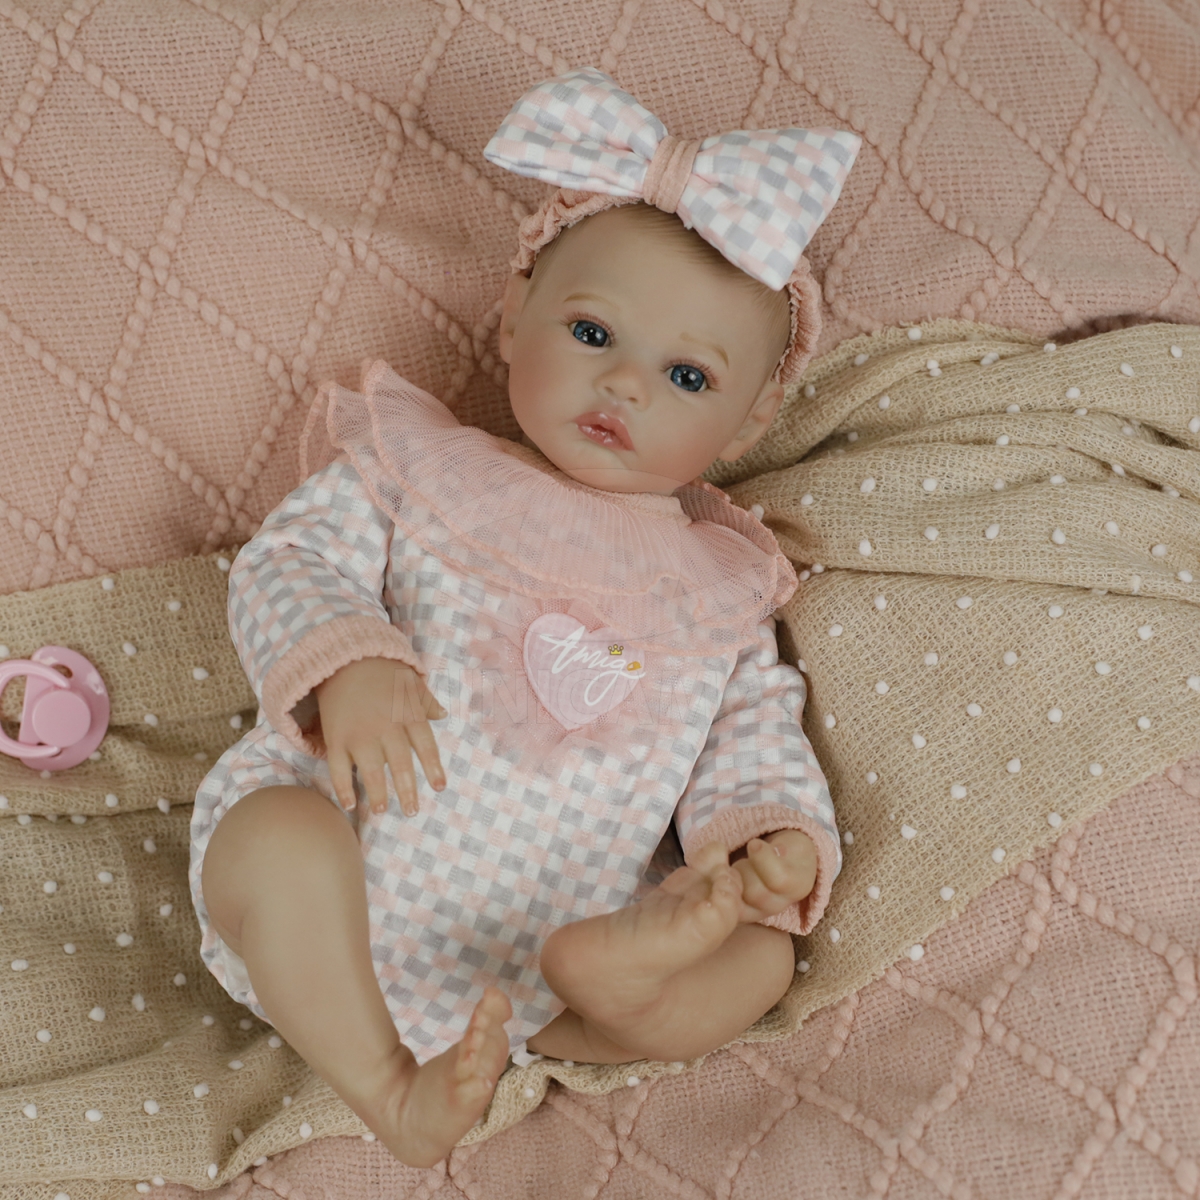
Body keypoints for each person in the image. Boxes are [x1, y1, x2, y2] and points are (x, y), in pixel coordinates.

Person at [190, 68, 860, 1167]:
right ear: (514, 317)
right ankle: (385, 1083)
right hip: (334, 882)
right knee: (272, 839)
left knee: (760, 959)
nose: (628, 385)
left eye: (688, 377)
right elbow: (289, 561)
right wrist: (349, 661)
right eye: (593, 333)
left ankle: (620, 988)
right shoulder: (423, 474)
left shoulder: (716, 589)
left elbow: (752, 723)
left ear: (751, 423)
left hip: (552, 951)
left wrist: (766, 839)